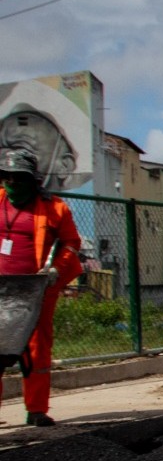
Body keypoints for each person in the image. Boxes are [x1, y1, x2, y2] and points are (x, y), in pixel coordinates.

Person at [0, 149, 83, 426]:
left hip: (33, 290)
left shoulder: (54, 208)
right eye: (7, 176)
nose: (11, 182)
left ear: (33, 180)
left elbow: (71, 242)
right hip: (0, 287)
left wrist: (56, 270)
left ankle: (36, 409)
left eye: (18, 177)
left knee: (36, 349)